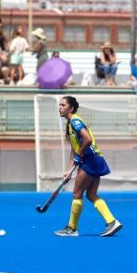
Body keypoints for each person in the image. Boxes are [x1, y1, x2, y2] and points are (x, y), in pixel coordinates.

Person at [54, 96, 123, 237]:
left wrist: (80, 154)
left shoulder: (75, 121)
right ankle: (112, 222)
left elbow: (87, 139)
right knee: (91, 194)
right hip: (95, 159)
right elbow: (74, 150)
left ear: (71, 108)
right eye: (59, 105)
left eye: (63, 105)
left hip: (90, 160)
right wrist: (69, 171)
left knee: (77, 193)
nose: (60, 107)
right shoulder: (70, 125)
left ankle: (72, 228)